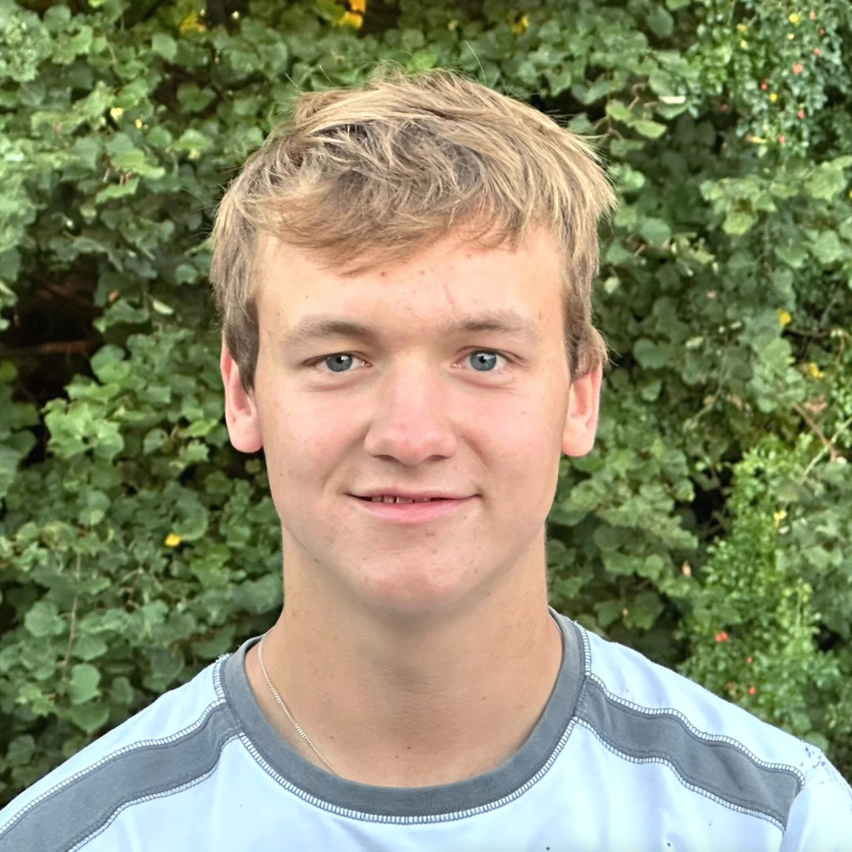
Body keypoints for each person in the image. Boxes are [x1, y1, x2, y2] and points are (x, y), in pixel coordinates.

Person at [1, 69, 850, 852]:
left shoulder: (779, 824)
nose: (410, 437)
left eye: (483, 357)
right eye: (340, 359)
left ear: (580, 394)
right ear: (244, 394)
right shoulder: (78, 837)